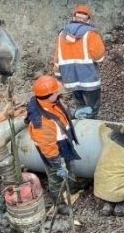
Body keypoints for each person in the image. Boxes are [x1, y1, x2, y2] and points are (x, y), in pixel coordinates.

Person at [25, 75, 82, 215]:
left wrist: (72, 114)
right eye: (56, 92)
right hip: (54, 151)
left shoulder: (49, 103)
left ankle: (72, 185)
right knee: (56, 178)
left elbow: (61, 114)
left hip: (64, 144)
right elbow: (48, 148)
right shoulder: (42, 122)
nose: (59, 93)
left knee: (70, 167)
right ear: (49, 95)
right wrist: (57, 165)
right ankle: (59, 204)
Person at [53, 4, 106, 119]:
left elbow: (57, 57)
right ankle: (90, 125)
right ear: (88, 19)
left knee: (80, 107)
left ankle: (80, 125)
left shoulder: (62, 34)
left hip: (70, 78)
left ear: (73, 18)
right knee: (93, 107)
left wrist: (58, 76)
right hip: (89, 78)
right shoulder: (91, 34)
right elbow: (99, 57)